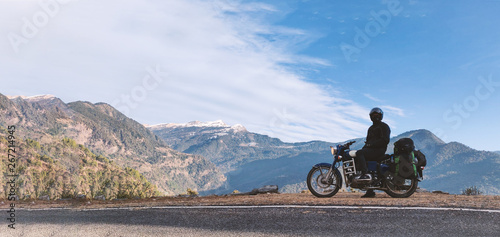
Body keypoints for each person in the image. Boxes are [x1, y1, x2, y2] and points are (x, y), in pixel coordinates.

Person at [355, 107, 391, 198]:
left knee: (360, 153)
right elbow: (368, 142)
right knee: (358, 155)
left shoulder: (384, 126)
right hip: (372, 150)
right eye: (373, 115)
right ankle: (369, 191)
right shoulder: (371, 128)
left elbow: (385, 140)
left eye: (377, 115)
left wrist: (372, 145)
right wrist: (364, 149)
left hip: (379, 150)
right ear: (371, 117)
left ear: (381, 116)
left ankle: (365, 175)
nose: (375, 117)